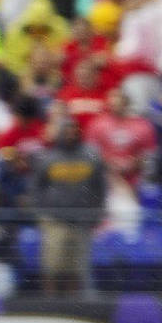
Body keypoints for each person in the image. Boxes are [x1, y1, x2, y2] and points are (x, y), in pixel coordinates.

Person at [31, 112, 107, 296]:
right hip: (55, 220)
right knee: (52, 266)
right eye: (67, 130)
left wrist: (97, 212)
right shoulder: (48, 158)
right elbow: (36, 188)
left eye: (74, 130)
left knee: (76, 268)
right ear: (60, 133)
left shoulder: (91, 157)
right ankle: (51, 303)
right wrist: (41, 215)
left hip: (82, 221)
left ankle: (73, 305)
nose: (71, 134)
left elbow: (100, 187)